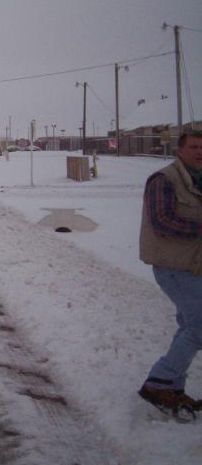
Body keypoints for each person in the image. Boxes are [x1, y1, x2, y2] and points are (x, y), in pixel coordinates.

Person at [138, 130, 202, 420]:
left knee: (189, 324)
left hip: (192, 265)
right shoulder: (164, 180)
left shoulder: (196, 180)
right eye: (194, 146)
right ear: (180, 149)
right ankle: (159, 381)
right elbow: (161, 221)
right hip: (172, 266)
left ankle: (172, 387)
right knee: (199, 325)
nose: (199, 151)